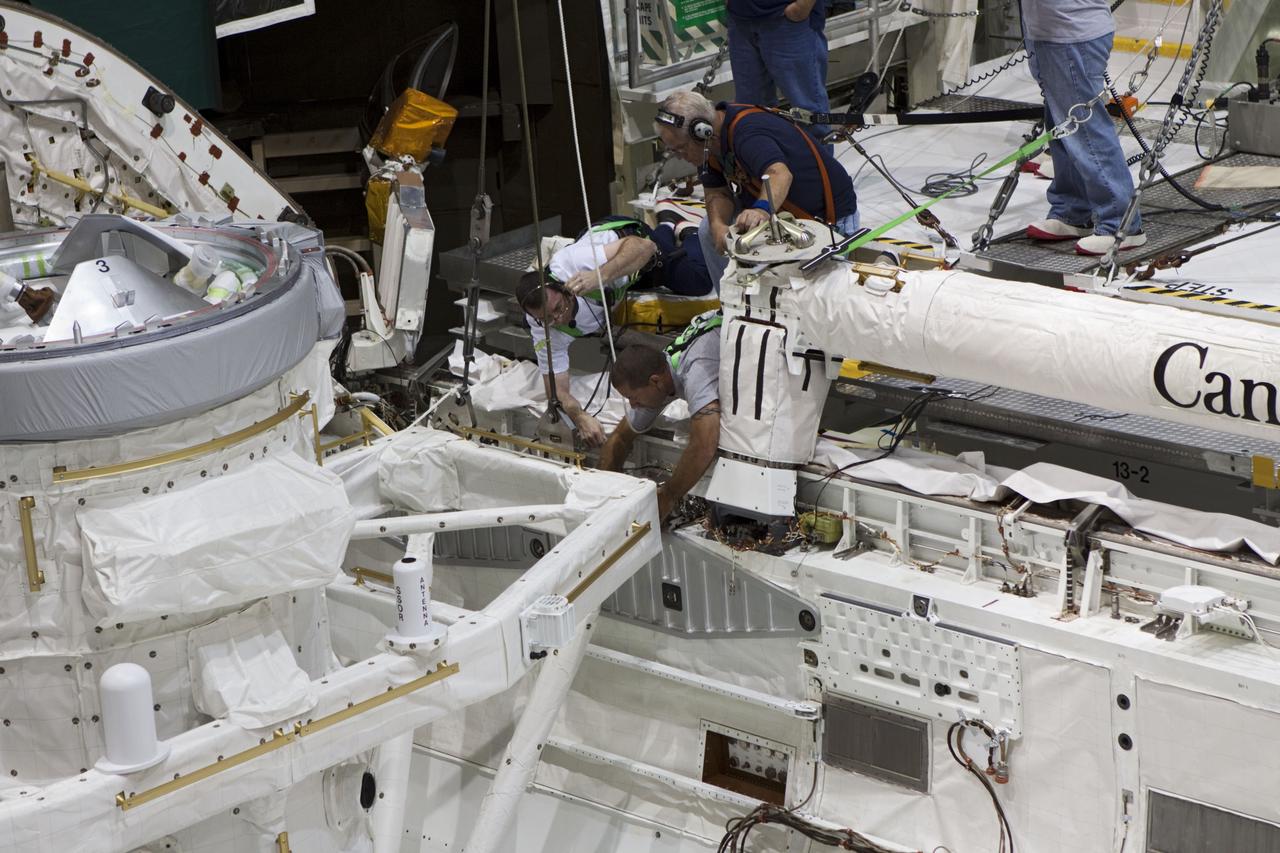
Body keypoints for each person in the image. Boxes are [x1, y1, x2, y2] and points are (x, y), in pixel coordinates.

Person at [515, 212, 715, 447]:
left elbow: (644, 247)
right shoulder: (543, 328)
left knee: (697, 280)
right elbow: (557, 390)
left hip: (628, 251)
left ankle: (686, 229)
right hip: (620, 285)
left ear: (564, 287)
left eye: (559, 308)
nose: (558, 319)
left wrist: (598, 277)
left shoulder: (573, 263)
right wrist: (579, 416)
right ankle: (666, 223)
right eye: (547, 318)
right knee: (665, 262)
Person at [654, 90, 858, 286]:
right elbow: (716, 191)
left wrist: (760, 209)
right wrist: (718, 226)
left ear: (701, 131)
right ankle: (730, 308)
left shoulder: (748, 133)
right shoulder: (709, 143)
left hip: (826, 219)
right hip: (780, 212)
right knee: (708, 228)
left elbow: (780, 174)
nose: (680, 156)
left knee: (800, 294)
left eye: (680, 148)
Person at [1021, 0, 1145, 256]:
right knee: (1062, 127)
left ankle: (1121, 222)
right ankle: (1073, 210)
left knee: (1087, 132)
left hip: (1072, 32)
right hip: (1047, 31)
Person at [599, 310, 722, 521]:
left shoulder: (695, 372)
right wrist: (604, 490)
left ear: (655, 381)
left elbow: (704, 445)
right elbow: (619, 438)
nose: (633, 404)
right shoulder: (661, 373)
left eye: (633, 397)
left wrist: (668, 496)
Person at [725, 0, 831, 143]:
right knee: (751, 111)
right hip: (740, 19)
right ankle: (766, 162)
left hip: (787, 20)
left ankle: (818, 164)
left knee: (808, 111)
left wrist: (801, 7)